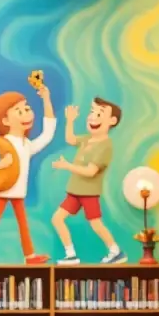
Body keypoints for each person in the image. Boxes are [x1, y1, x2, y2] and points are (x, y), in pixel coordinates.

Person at [0, 80, 57, 265]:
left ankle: (29, 256)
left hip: (17, 191)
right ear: (5, 120)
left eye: (27, 108)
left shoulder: (26, 144)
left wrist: (46, 100)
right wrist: (0, 165)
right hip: (5, 188)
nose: (27, 113)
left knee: (22, 223)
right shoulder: (1, 142)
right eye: (19, 111)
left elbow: (47, 135)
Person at [51, 98, 125, 264]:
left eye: (99, 114)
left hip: (89, 193)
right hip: (74, 191)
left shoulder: (105, 146)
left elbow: (91, 171)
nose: (93, 117)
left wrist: (67, 166)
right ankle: (71, 254)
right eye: (92, 112)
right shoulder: (87, 139)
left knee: (96, 224)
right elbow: (70, 139)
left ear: (112, 121)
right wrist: (70, 121)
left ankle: (116, 251)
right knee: (57, 218)